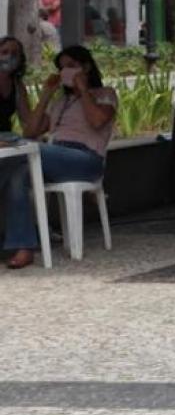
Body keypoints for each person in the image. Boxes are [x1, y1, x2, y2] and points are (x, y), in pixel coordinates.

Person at [3, 46, 117, 269]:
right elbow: (30, 131)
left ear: (86, 67)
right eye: (62, 68)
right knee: (18, 176)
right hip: (52, 155)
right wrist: (46, 94)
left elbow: (97, 121)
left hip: (85, 159)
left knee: (28, 148)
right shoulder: (59, 103)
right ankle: (24, 247)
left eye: (71, 67)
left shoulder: (105, 94)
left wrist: (83, 88)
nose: (66, 72)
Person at [0, 37, 32, 134]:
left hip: (6, 141)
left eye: (14, 54)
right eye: (4, 52)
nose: (9, 56)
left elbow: (26, 120)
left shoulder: (18, 86)